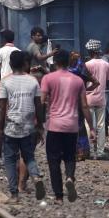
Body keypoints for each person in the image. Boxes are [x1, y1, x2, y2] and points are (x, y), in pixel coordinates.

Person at [41, 50, 92, 202]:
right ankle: (69, 177)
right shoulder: (78, 81)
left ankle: (58, 196)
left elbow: (42, 101)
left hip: (54, 125)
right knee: (70, 156)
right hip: (72, 125)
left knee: (53, 160)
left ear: (55, 62)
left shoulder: (48, 78)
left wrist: (38, 122)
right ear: (69, 62)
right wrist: (92, 128)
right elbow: (84, 106)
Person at [0, 50, 46, 200]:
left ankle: (14, 193)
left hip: (11, 127)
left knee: (10, 160)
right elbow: (39, 105)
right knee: (29, 157)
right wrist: (40, 126)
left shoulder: (5, 81)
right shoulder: (33, 81)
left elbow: (2, 107)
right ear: (25, 64)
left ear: (10, 65)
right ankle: (36, 177)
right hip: (29, 126)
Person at [83, 40, 109, 157]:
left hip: (88, 98)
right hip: (101, 98)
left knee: (89, 125)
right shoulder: (106, 64)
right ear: (98, 51)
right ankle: (100, 151)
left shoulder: (87, 64)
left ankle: (90, 150)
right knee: (101, 126)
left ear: (90, 51)